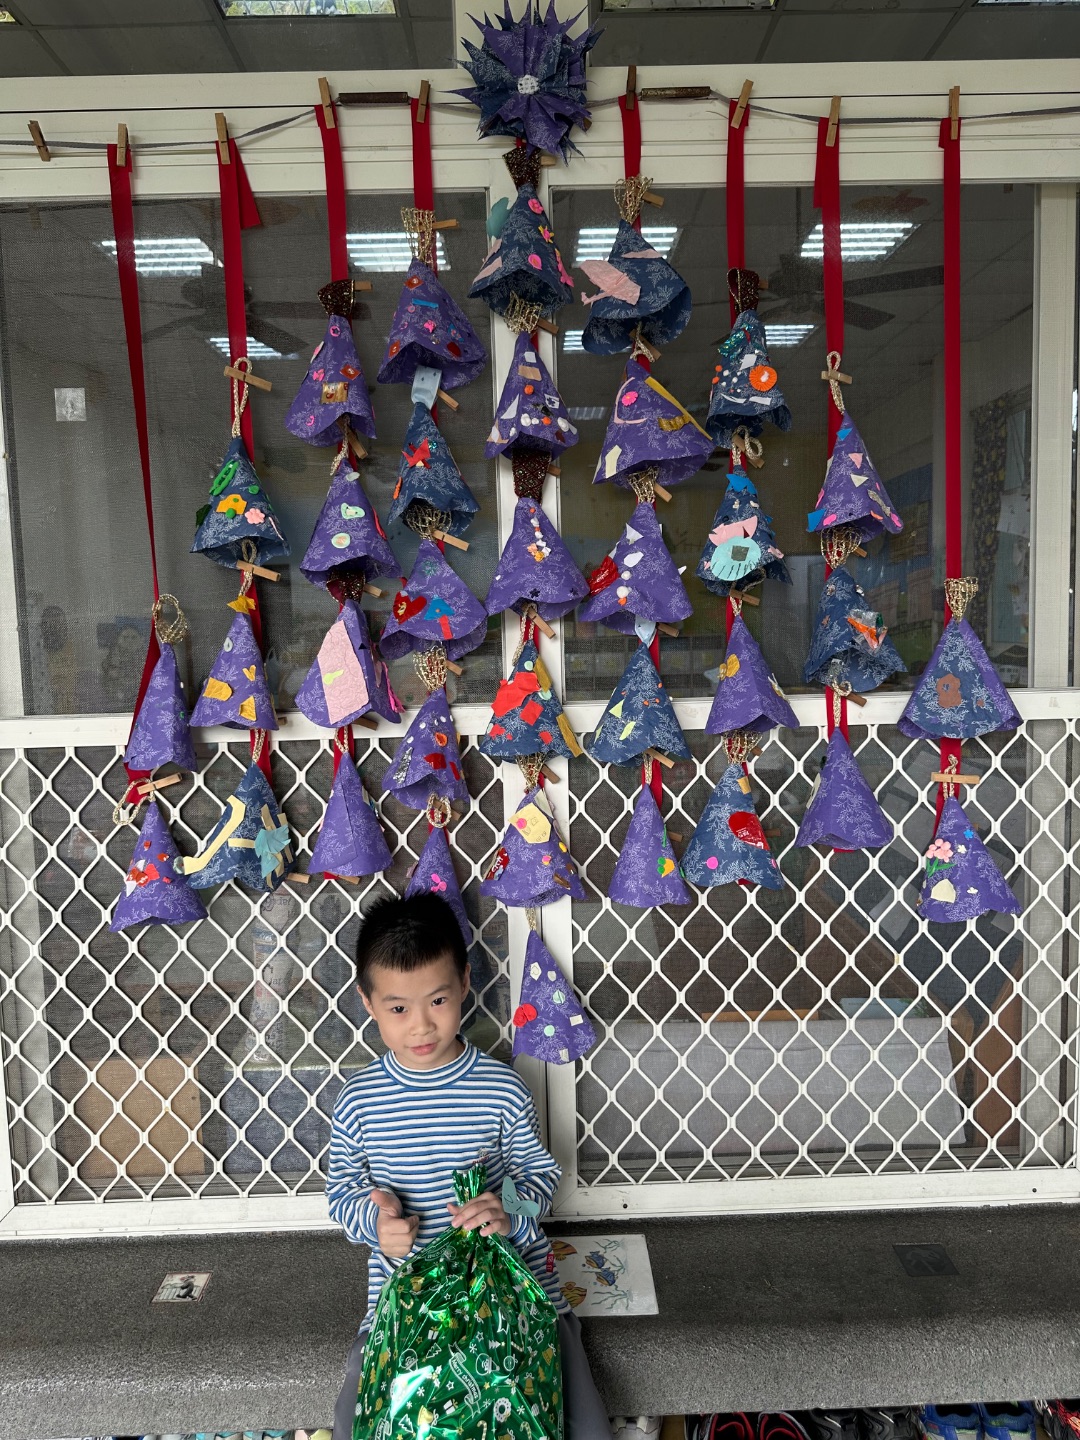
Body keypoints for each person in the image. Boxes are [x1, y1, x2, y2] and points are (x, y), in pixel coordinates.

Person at [326, 891, 611, 1440]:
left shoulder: (500, 1088)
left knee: (582, 1423)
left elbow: (539, 1175)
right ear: (368, 1002)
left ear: (463, 983)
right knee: (357, 1423)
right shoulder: (360, 1101)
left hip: (515, 1303)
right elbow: (341, 1194)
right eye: (398, 1008)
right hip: (403, 1312)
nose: (421, 1026)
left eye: (437, 1000)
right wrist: (374, 1221)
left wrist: (508, 1211)